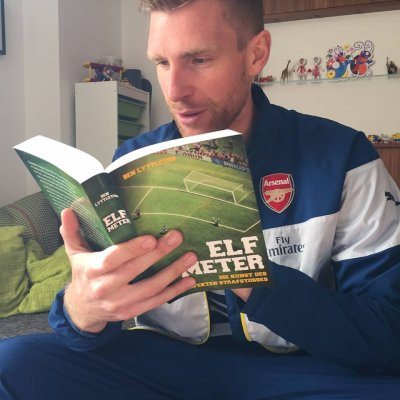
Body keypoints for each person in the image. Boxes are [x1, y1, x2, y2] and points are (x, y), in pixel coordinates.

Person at [1, 0, 400, 399]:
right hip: (165, 364)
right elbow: (86, 335)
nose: (175, 91)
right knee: (14, 363)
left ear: (256, 54)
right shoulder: (131, 162)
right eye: (162, 62)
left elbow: (388, 333)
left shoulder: (342, 157)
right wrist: (81, 308)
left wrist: (253, 280)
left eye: (199, 59)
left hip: (299, 367)